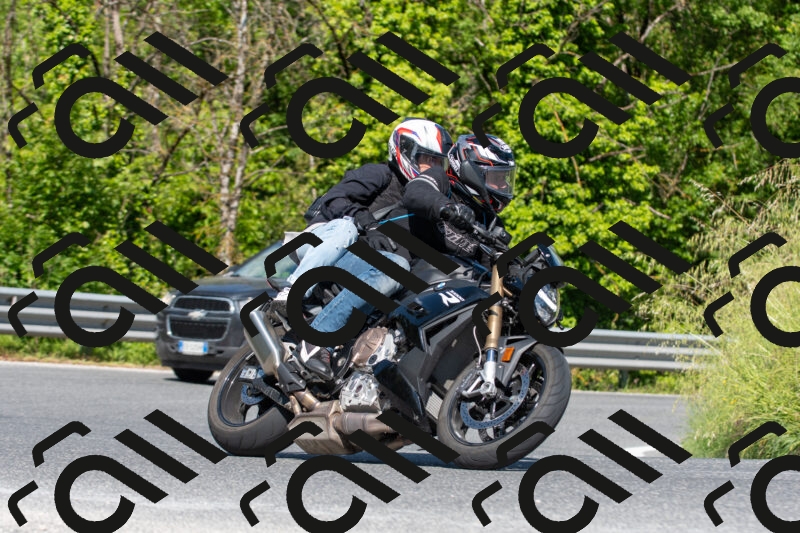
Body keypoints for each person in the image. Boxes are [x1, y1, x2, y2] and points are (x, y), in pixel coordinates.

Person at [283, 118, 454, 379]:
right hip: (325, 244)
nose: (432, 167)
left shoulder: (423, 201)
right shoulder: (381, 174)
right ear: (405, 151)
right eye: (426, 159)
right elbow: (333, 200)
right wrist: (367, 222)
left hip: (360, 263)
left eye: (438, 162)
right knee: (392, 264)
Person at [402, 133, 517, 266]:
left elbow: (492, 268)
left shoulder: (490, 221)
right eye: (497, 178)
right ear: (472, 173)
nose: (504, 186)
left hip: (442, 276)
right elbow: (416, 192)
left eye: (505, 179)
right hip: (398, 262)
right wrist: (448, 208)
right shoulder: (441, 180)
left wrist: (519, 270)